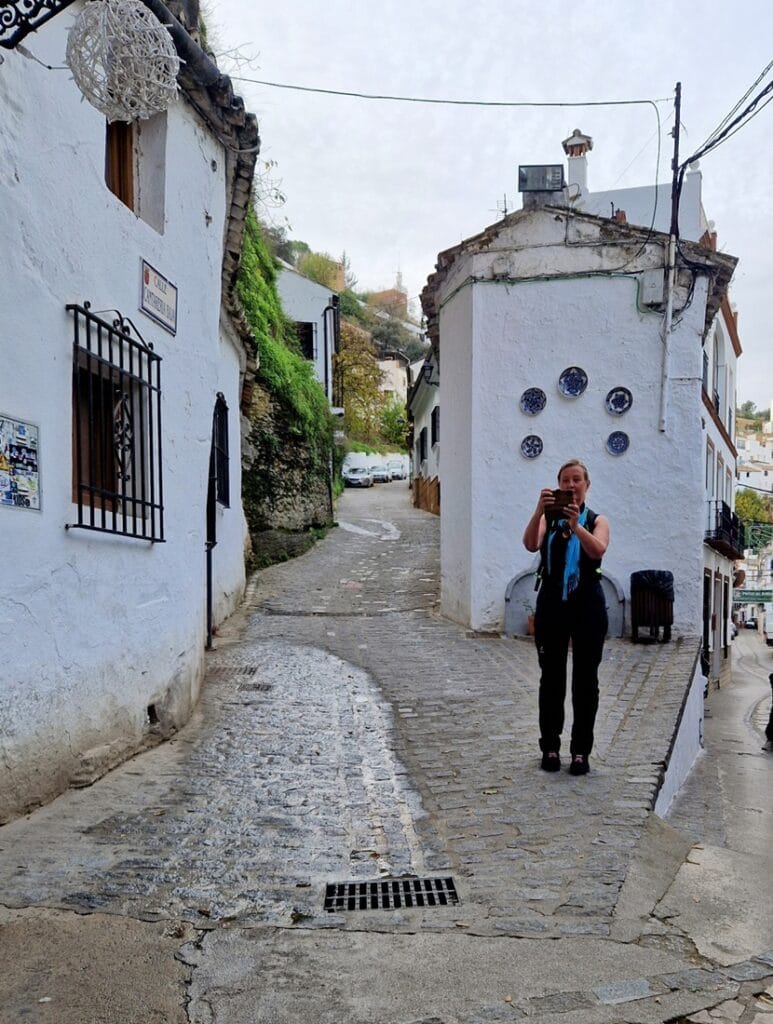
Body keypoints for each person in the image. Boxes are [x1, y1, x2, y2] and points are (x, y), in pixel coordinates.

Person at [522, 459, 610, 776]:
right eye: (565, 481)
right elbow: (531, 543)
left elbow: (597, 550)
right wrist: (538, 510)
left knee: (586, 681)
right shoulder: (547, 518)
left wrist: (576, 527)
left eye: (576, 480)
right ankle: (550, 747)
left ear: (586, 485)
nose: (570, 486)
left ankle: (580, 753)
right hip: (552, 603)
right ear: (558, 485)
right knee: (552, 679)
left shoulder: (598, 519)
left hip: (587, 602)